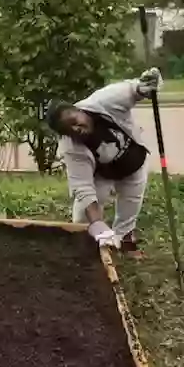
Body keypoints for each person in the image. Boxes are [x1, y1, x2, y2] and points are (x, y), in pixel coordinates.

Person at [46, 68, 163, 256]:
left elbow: (130, 90)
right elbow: (83, 186)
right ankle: (89, 241)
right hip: (102, 173)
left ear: (78, 109)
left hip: (132, 161)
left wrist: (144, 87)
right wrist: (98, 225)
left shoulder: (102, 102)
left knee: (130, 204)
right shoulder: (70, 145)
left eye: (75, 121)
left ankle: (125, 239)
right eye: (70, 130)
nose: (77, 129)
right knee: (84, 215)